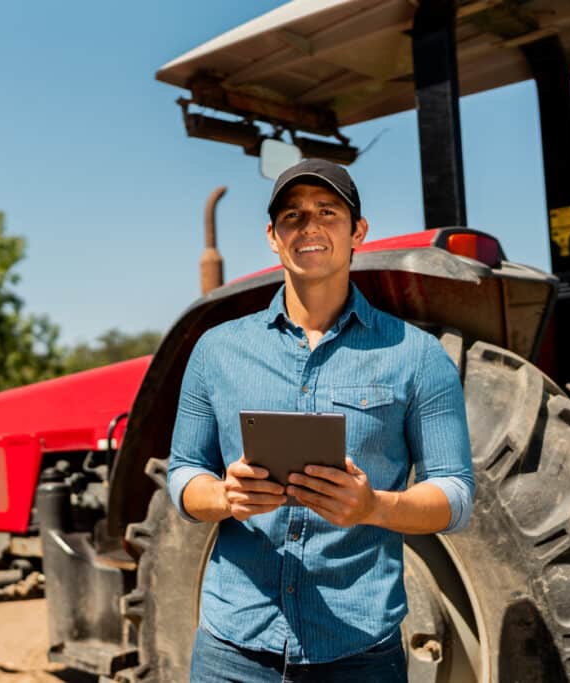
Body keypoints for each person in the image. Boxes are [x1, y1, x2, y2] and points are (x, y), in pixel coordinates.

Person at [167, 158, 475, 682]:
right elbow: (182, 472)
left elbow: (457, 495)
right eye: (292, 215)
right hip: (233, 649)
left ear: (357, 231)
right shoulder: (215, 350)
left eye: (327, 212)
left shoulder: (416, 356)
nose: (308, 226)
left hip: (358, 653)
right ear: (272, 236)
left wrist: (374, 505)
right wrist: (224, 497)